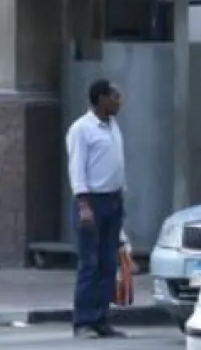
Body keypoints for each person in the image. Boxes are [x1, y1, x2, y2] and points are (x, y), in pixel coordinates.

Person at [65, 78, 127, 340]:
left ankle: (101, 319)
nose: (119, 101)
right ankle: (83, 321)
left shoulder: (113, 126)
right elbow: (77, 167)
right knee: (89, 263)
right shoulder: (82, 129)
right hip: (92, 201)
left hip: (113, 199)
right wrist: (83, 204)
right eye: (114, 96)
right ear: (101, 99)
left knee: (107, 264)